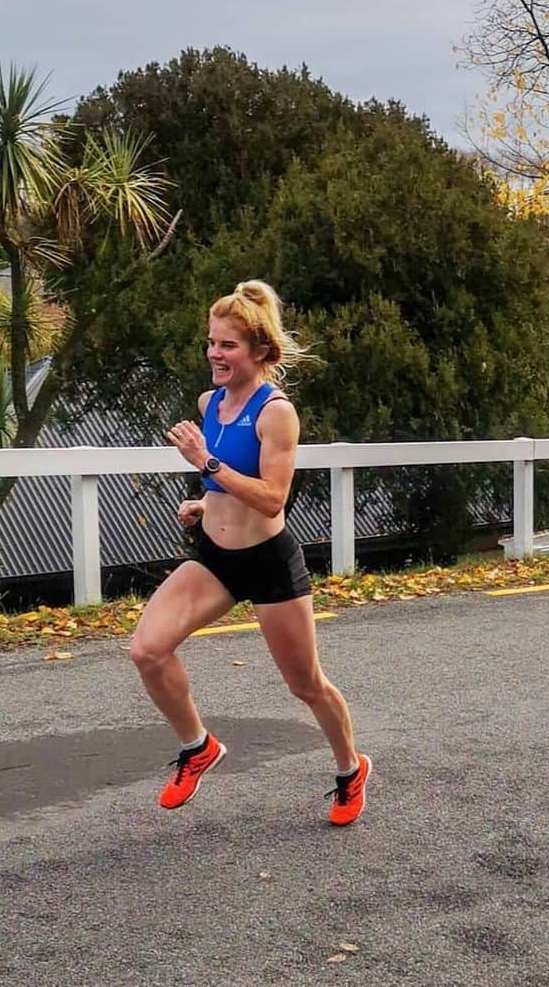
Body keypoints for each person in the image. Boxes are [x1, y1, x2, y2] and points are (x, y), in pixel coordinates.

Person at [130, 280, 370, 825]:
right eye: (212, 343)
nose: (215, 354)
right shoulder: (208, 403)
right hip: (215, 557)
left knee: (305, 684)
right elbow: (229, 486)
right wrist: (204, 501)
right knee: (147, 650)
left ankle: (350, 768)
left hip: (268, 562)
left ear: (259, 352)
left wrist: (206, 465)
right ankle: (197, 747)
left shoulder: (276, 412)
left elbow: (271, 498)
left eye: (228, 345)